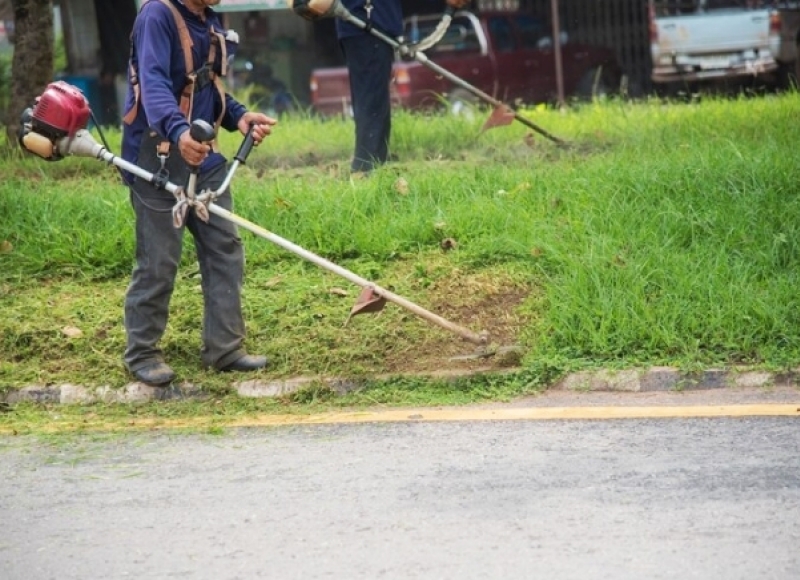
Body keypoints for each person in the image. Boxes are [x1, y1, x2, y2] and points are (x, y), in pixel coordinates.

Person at [120, 0, 277, 387]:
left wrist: (238, 115)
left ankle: (224, 349)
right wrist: (179, 133)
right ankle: (142, 352)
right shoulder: (156, 15)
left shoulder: (208, 17)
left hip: (202, 152)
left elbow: (205, 83)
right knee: (159, 258)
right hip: (158, 152)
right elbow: (154, 85)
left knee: (225, 246)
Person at [336, 0, 470, 174]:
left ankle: (374, 165)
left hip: (365, 25)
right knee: (372, 103)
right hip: (367, 24)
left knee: (374, 102)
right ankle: (365, 169)